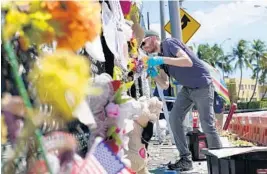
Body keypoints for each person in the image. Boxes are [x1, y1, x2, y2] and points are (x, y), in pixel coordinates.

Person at [141, 30, 222, 171]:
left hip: (202, 85)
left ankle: (220, 163)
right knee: (174, 119)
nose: (143, 47)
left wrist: (162, 59)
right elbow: (165, 84)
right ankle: (186, 159)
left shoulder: (169, 43)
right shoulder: (160, 59)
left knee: (207, 124)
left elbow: (187, 61)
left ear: (153, 38)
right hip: (188, 89)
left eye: (144, 42)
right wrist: (154, 74)